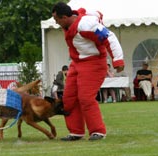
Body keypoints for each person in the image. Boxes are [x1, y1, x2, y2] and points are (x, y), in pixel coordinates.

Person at [52, 2, 124, 141]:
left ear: (65, 17)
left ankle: (98, 131)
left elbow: (109, 37)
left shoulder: (86, 24)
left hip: (94, 63)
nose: (56, 23)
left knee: (85, 98)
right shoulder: (70, 23)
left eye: (57, 20)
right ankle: (76, 132)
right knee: (69, 98)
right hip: (76, 63)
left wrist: (118, 60)